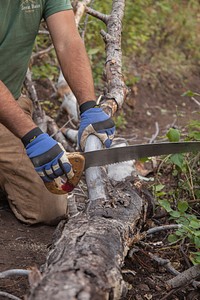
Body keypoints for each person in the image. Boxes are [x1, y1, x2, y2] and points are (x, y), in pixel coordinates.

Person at [0, 0, 115, 225]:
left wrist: (89, 107)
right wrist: (31, 135)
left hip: (7, 107)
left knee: (49, 208)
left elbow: (68, 41)